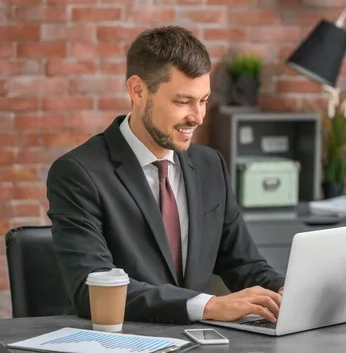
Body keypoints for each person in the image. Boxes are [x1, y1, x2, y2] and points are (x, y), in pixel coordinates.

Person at [46, 26, 285, 325]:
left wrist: (284, 291)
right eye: (183, 101)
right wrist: (208, 306)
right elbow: (93, 289)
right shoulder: (79, 174)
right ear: (138, 90)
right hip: (122, 342)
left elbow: (244, 263)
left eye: (204, 100)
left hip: (198, 343)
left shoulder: (210, 166)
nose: (197, 117)